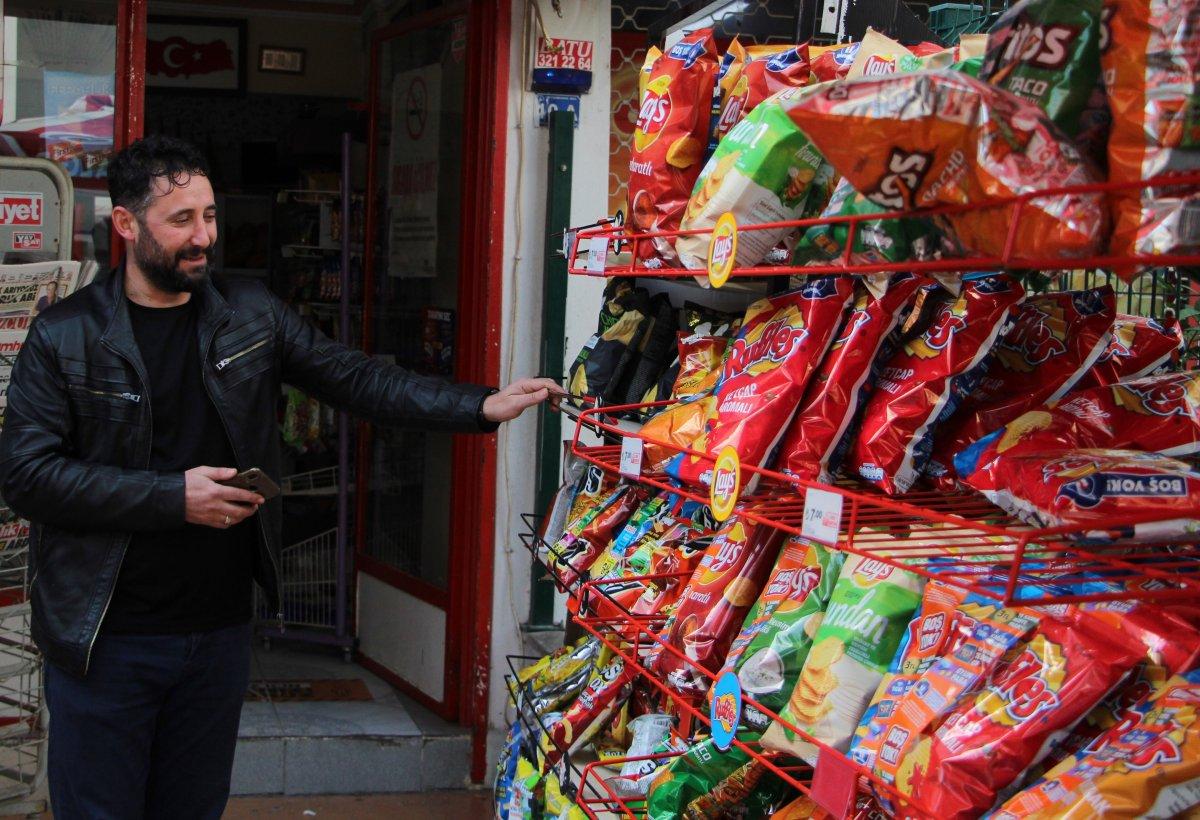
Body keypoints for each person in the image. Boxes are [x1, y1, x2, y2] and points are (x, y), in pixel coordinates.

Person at [0, 135, 563, 819]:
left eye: (210, 215)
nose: (204, 236)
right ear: (126, 223)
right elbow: (26, 475)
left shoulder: (251, 313)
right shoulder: (65, 335)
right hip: (105, 640)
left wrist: (478, 404)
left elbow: (354, 378)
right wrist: (172, 498)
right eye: (182, 220)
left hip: (217, 634)